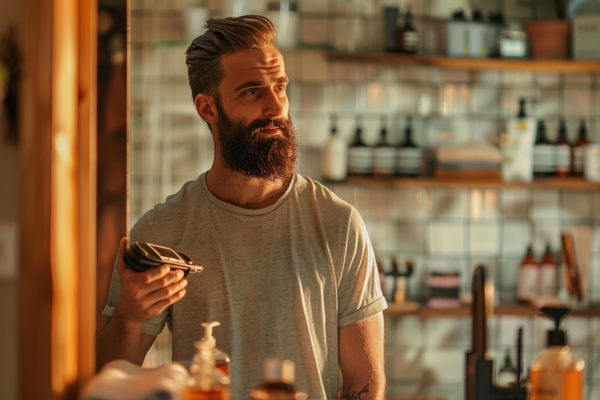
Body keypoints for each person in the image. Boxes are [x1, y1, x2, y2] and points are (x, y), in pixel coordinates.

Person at [96, 15, 387, 400]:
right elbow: (108, 378)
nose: (275, 106)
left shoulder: (338, 223)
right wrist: (128, 320)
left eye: (279, 86)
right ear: (208, 108)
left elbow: (364, 382)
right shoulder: (162, 233)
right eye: (252, 92)